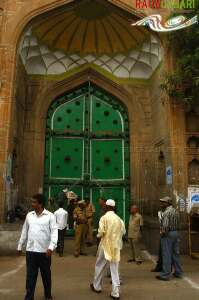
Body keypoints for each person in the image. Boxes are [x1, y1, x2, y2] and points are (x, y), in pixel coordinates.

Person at [17, 194, 58, 300]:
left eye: (34, 202)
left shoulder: (50, 216)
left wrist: (51, 247)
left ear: (40, 204)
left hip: (45, 252)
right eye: (32, 202)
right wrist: (20, 245)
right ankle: (29, 297)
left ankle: (48, 295)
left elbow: (54, 233)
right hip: (31, 251)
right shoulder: (29, 215)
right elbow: (24, 231)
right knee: (30, 276)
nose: (32, 204)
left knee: (46, 276)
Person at [90, 199, 125, 300]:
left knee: (100, 265)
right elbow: (123, 232)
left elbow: (101, 233)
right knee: (114, 269)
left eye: (105, 206)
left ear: (108, 207)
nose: (103, 207)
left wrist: (97, 235)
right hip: (116, 247)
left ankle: (96, 286)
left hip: (105, 246)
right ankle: (115, 293)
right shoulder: (119, 219)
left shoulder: (104, 218)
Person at [156, 196, 183, 281]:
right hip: (176, 233)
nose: (161, 204)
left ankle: (165, 274)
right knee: (176, 254)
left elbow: (165, 226)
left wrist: (162, 233)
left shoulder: (166, 212)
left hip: (168, 234)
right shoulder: (176, 211)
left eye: (163, 202)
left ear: (168, 203)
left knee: (166, 254)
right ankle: (178, 272)